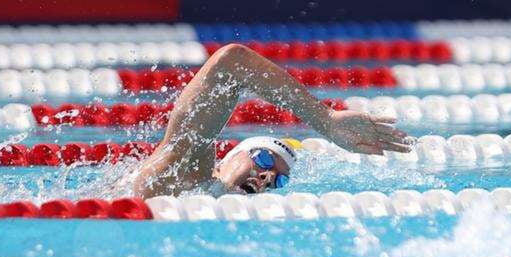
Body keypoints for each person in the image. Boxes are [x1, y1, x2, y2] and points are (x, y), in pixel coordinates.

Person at [130, 43, 410, 198]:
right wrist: (326, 120)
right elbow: (231, 62)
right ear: (225, 161)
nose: (267, 176)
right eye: (262, 159)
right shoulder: (186, 170)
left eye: (280, 182)